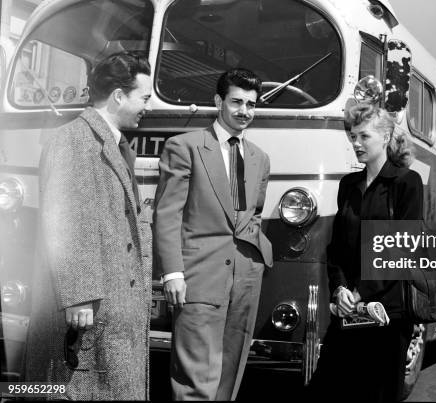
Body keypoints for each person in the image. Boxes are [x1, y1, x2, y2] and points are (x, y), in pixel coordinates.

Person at [24, 52, 153, 399]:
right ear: (118, 97)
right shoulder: (73, 140)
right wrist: (80, 295)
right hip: (90, 311)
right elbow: (65, 218)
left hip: (110, 305)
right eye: (144, 98)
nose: (148, 107)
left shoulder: (108, 143)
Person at [153, 68, 272, 401]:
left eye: (251, 104)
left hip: (246, 278)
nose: (244, 111)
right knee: (196, 382)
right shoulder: (184, 147)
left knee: (228, 378)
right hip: (198, 276)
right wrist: (173, 272)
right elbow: (167, 214)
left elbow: (253, 214)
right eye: (236, 102)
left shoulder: (260, 159)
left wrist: (257, 262)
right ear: (218, 101)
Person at [307, 103, 424, 402]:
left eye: (364, 137)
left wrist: (360, 293)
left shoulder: (406, 182)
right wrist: (340, 290)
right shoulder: (348, 184)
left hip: (387, 314)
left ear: (385, 137)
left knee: (377, 394)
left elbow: (401, 249)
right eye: (353, 136)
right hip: (349, 310)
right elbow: (336, 249)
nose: (356, 143)